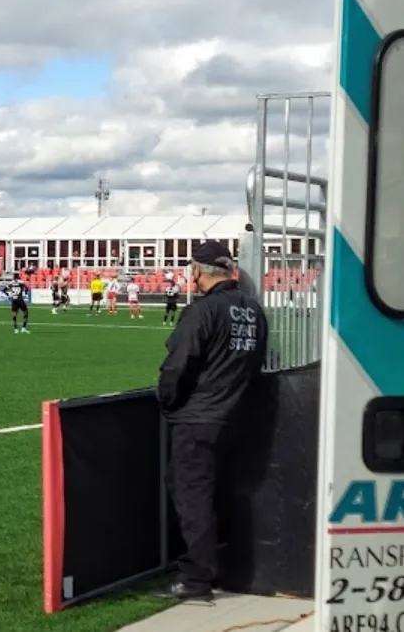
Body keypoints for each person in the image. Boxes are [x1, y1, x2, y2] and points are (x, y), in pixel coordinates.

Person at [155, 241, 269, 603]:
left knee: (192, 494)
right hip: (236, 414)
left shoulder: (202, 310)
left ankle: (196, 577)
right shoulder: (253, 310)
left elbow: (177, 365)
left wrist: (168, 401)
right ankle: (222, 562)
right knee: (221, 491)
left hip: (199, 417)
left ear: (197, 272)